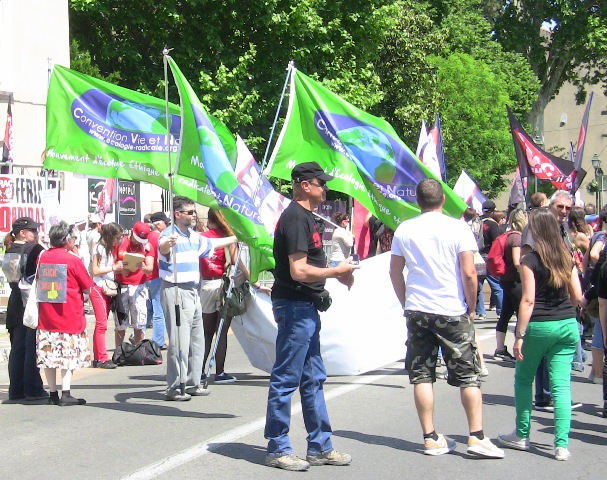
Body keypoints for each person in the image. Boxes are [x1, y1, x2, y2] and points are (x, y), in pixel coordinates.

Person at [389, 178, 504, 459]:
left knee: (421, 375)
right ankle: (476, 436)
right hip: (451, 309)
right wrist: (471, 304)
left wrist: (406, 302)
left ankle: (430, 437)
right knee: (468, 375)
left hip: (418, 309)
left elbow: (394, 271)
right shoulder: (457, 227)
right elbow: (468, 272)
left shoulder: (405, 229)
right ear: (442, 200)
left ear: (418, 202)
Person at [264, 162, 359, 471]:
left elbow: (311, 263)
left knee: (313, 377)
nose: (325, 188)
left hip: (305, 306)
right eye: (320, 183)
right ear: (304, 185)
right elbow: (298, 270)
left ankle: (319, 446)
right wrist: (336, 272)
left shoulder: (307, 218)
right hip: (295, 306)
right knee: (286, 377)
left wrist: (337, 273)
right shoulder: (294, 218)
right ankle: (278, 447)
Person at [497, 208, 581, 461]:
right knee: (561, 385)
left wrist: (519, 335)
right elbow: (577, 295)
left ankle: (522, 435)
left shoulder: (530, 260)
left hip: (539, 325)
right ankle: (561, 445)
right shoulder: (566, 256)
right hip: (566, 324)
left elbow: (528, 299)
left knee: (523, 379)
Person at [158, 196, 237, 401]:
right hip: (176, 291)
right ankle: (175, 387)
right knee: (179, 342)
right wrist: (168, 243)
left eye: (194, 212)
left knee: (197, 339)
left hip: (194, 291)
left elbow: (212, 243)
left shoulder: (193, 236)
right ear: (178, 214)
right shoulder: (169, 234)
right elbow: (162, 248)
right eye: (190, 212)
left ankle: (193, 382)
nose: (194, 215)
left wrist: (236, 237)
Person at [36, 222, 95, 406]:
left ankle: (52, 393)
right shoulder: (73, 260)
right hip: (69, 315)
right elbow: (87, 287)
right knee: (68, 355)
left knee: (49, 354)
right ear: (67, 240)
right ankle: (66, 393)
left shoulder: (43, 256)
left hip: (46, 315)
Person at [1, 217, 48, 401]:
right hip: (29, 302)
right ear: (23, 232)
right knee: (31, 348)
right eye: (33, 230)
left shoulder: (10, 249)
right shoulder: (33, 248)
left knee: (17, 348)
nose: (36, 234)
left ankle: (16, 389)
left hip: (15, 302)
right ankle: (33, 389)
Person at [199, 209, 246, 384]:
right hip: (223, 284)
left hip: (205, 285)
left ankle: (200, 370)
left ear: (209, 219)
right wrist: (253, 280)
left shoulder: (202, 236)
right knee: (221, 332)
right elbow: (236, 262)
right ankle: (219, 372)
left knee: (205, 332)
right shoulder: (228, 237)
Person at [494, 208, 527, 362]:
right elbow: (516, 261)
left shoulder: (508, 235)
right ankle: (520, 349)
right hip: (515, 281)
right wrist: (525, 275)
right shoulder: (517, 238)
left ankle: (500, 349)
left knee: (506, 314)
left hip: (507, 280)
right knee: (522, 314)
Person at [114, 221, 154, 347]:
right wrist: (120, 268)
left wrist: (142, 266)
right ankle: (119, 351)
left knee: (139, 322)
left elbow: (150, 268)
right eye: (136, 239)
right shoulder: (121, 243)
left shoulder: (147, 246)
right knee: (120, 324)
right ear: (132, 232)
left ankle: (138, 350)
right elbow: (113, 264)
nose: (137, 242)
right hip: (122, 286)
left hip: (139, 286)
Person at [89, 222, 124, 368]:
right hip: (98, 287)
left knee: (102, 324)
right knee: (102, 323)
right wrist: (113, 268)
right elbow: (95, 271)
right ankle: (101, 357)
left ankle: (99, 357)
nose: (118, 241)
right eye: (117, 238)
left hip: (106, 286)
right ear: (110, 236)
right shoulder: (98, 248)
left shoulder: (108, 249)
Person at [147, 211, 170, 349]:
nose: (166, 225)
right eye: (165, 223)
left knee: (149, 309)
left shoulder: (148, 236)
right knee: (159, 310)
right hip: (157, 275)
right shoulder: (159, 237)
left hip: (147, 277)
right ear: (159, 224)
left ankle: (136, 335)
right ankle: (158, 341)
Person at [478, 200, 503, 318]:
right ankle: (501, 310)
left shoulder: (477, 222)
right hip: (489, 256)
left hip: (478, 257)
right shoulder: (493, 224)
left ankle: (481, 312)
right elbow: (496, 242)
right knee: (496, 285)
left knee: (479, 285)